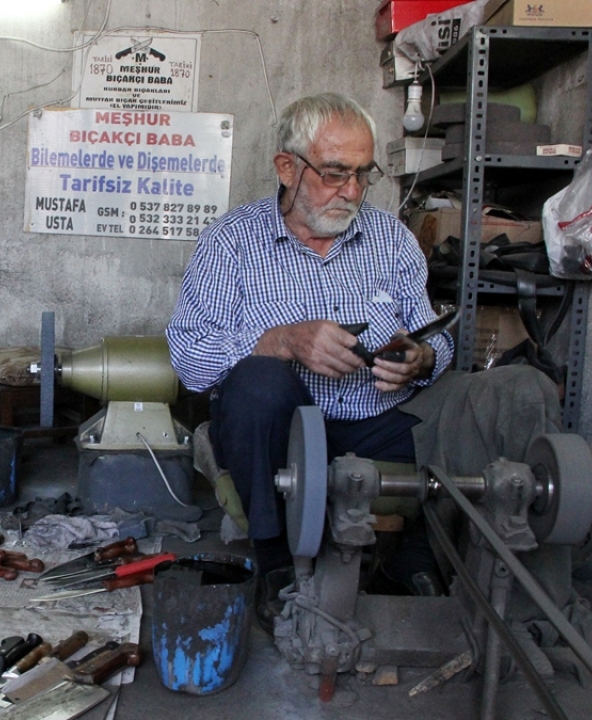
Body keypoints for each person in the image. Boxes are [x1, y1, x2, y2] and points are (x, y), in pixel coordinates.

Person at [166, 94, 453, 622]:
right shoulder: (231, 243)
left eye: (364, 174)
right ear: (286, 167)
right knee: (256, 384)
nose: (352, 191)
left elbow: (433, 335)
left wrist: (424, 356)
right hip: (288, 426)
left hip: (380, 418)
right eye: (335, 172)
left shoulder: (392, 240)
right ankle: (277, 563)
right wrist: (281, 341)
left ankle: (416, 556)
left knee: (501, 395)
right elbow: (189, 359)